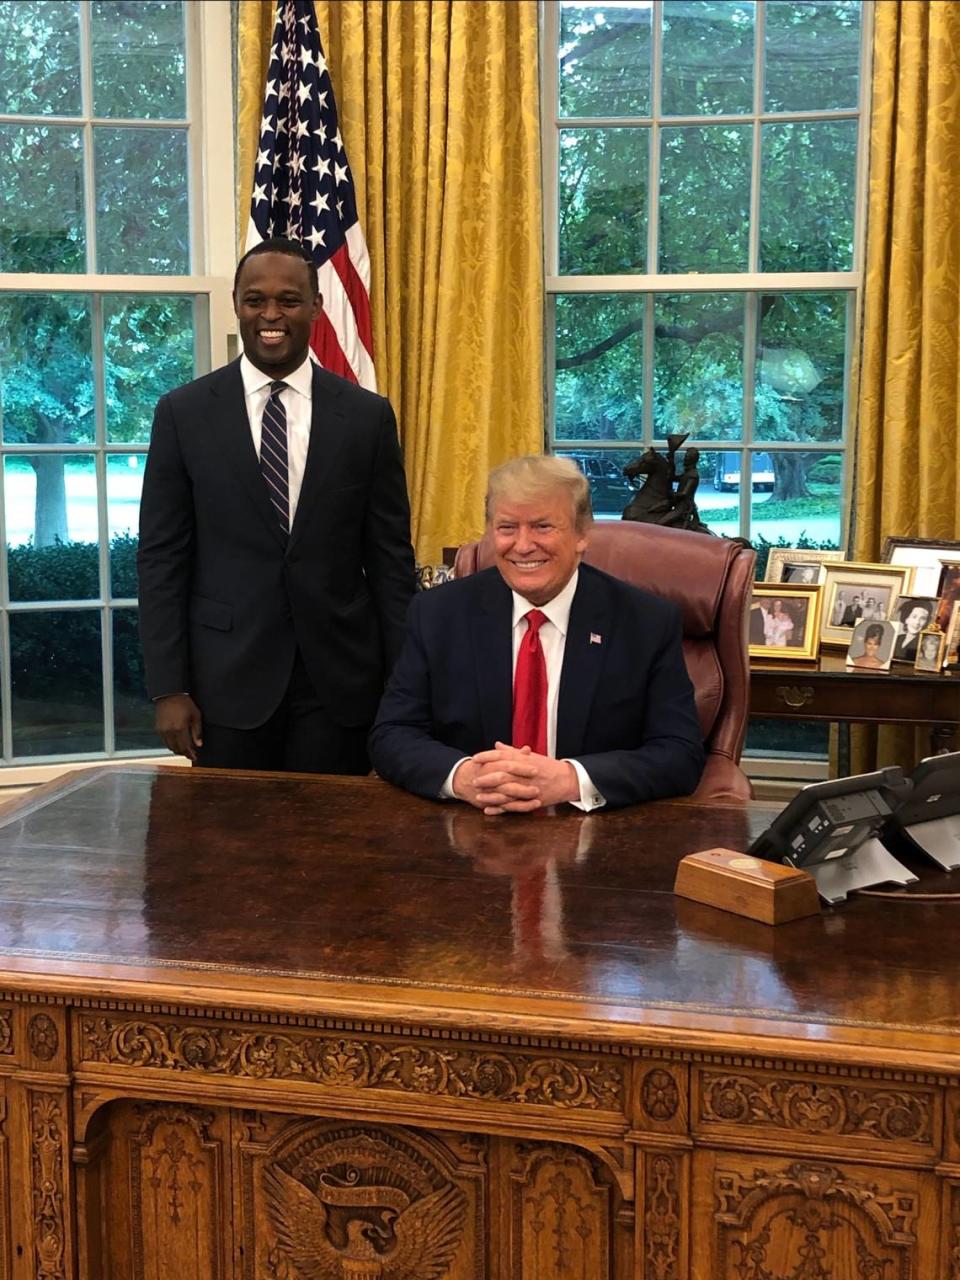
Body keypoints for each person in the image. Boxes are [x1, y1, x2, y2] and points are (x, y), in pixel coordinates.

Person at [137, 237, 417, 772]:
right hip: (224, 684)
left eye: (288, 300)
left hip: (340, 683)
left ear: (315, 306)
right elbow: (161, 559)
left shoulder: (366, 417)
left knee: (334, 848)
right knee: (229, 851)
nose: (271, 315)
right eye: (255, 299)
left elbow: (389, 561)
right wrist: (167, 688)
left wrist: (403, 686)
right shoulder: (183, 413)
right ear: (237, 304)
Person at [369, 455, 705, 812]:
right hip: (472, 826)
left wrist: (570, 779)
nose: (524, 545)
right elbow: (392, 734)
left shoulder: (645, 622)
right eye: (507, 528)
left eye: (543, 527)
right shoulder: (437, 613)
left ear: (582, 535)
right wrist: (464, 776)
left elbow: (679, 753)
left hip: (594, 833)